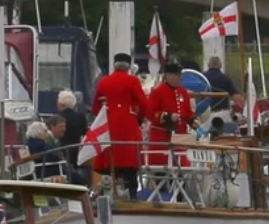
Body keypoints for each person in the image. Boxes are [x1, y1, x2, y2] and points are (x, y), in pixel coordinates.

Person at [91, 52, 149, 199]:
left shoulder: (104, 81)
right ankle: (132, 195)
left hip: (109, 126)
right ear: (128, 66)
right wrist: (139, 118)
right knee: (130, 162)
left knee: (110, 160)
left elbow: (95, 108)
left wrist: (104, 116)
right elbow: (144, 104)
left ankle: (110, 190)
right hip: (128, 126)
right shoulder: (132, 81)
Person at [147, 60, 201, 167]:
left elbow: (188, 112)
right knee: (162, 171)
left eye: (180, 74)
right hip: (162, 139)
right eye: (177, 75)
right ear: (168, 75)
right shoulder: (157, 92)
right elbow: (151, 113)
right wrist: (168, 117)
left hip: (180, 139)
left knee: (182, 169)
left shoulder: (183, 92)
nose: (180, 77)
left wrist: (192, 120)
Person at [56, 89, 88, 168]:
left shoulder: (57, 118)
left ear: (61, 103)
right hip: (77, 153)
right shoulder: (81, 116)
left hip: (62, 153)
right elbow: (85, 133)